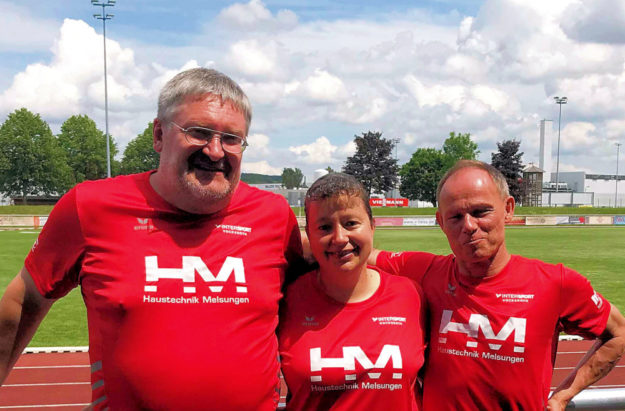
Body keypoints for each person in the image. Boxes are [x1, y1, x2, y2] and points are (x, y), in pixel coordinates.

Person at [0, 68, 303, 410]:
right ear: (159, 134)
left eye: (232, 138)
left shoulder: (274, 216)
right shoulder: (90, 207)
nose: (216, 151)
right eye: (199, 132)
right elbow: (24, 300)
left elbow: (320, 284)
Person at [369, 160, 625, 411]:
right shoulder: (425, 271)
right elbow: (359, 253)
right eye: (456, 216)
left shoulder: (555, 283)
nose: (469, 226)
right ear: (441, 222)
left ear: (508, 208)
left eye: (481, 212)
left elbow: (618, 333)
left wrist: (563, 396)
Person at [279, 173, 425, 410]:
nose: (339, 238)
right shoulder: (287, 299)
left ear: (372, 225)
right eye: (325, 227)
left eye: (351, 223)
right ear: (309, 234)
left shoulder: (412, 295)